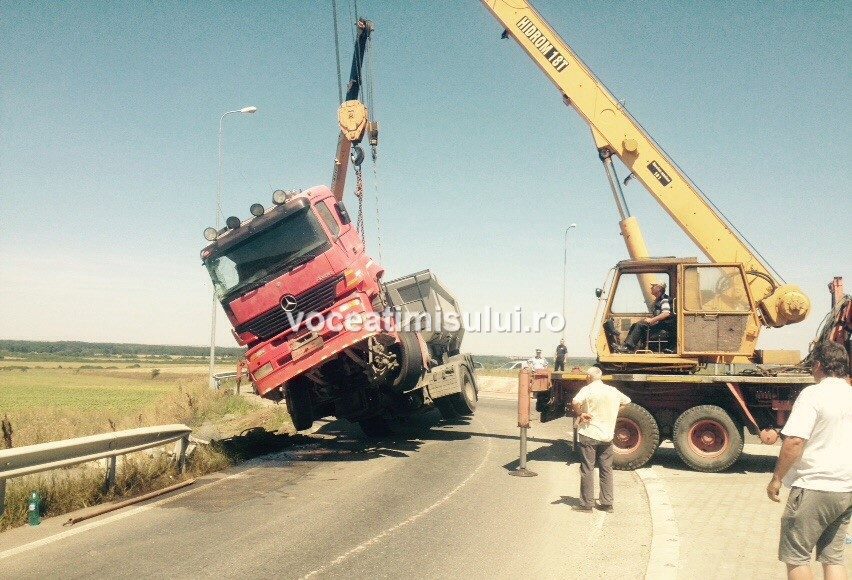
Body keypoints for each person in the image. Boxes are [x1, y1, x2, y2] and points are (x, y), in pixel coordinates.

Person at [766, 341, 851, 580]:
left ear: (818, 365)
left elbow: (794, 441)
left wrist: (776, 479)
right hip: (846, 488)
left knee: (796, 556)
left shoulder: (813, 394)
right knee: (833, 558)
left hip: (815, 485)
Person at [571, 366, 631, 512]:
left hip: (589, 433)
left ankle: (586, 504)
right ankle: (607, 503)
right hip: (607, 435)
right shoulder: (612, 390)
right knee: (606, 469)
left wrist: (581, 413)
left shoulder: (587, 389)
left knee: (587, 468)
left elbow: (575, 402)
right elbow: (627, 401)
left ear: (588, 377)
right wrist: (615, 410)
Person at [618, 282, 674, 352]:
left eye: (653, 286)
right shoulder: (659, 300)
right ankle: (628, 346)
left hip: (664, 327)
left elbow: (666, 313)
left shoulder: (664, 299)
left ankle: (628, 347)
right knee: (635, 325)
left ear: (659, 288)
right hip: (660, 325)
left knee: (639, 325)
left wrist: (652, 320)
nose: (651, 288)